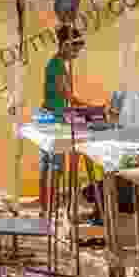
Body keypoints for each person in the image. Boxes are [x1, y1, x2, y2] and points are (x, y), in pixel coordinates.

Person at [38, 25, 88, 217]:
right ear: (65, 45)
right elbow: (67, 95)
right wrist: (93, 107)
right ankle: (48, 208)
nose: (76, 53)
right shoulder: (56, 65)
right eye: (75, 49)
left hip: (52, 115)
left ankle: (47, 208)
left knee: (50, 165)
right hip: (52, 117)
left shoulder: (56, 63)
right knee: (54, 166)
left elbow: (66, 98)